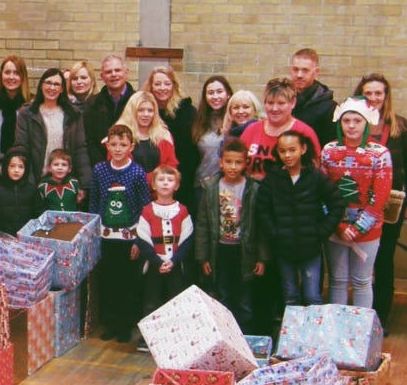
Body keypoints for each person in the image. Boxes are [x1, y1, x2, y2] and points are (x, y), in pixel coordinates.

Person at [356, 74, 407, 325]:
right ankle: (358, 316)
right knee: (359, 262)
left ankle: (381, 318)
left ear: (386, 96)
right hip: (358, 204)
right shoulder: (352, 124)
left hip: (391, 204)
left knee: (383, 259)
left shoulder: (401, 127)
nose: (373, 99)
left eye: (378, 94)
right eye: (368, 94)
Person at [257, 130, 344, 308]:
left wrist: (321, 232)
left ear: (303, 149)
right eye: (282, 151)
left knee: (312, 296)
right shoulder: (272, 179)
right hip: (283, 248)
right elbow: (262, 209)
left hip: (311, 247)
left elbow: (337, 205)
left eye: (292, 150)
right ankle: (291, 334)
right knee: (289, 295)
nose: (287, 155)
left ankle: (315, 334)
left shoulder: (316, 177)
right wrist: (275, 233)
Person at [321, 98, 393, 309]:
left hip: (367, 230)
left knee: (362, 281)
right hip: (336, 227)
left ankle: (362, 333)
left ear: (366, 123)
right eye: (346, 120)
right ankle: (338, 330)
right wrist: (339, 225)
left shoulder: (380, 154)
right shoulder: (329, 151)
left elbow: (380, 197)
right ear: (339, 123)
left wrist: (358, 228)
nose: (351, 125)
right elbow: (323, 192)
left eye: (357, 121)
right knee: (337, 280)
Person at [195, 138, 266, 331]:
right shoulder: (211, 188)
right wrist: (203, 257)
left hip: (245, 251)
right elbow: (202, 224)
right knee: (224, 295)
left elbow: (260, 227)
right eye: (228, 162)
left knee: (244, 298)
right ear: (221, 162)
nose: (233, 167)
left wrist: (261, 257)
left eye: (238, 162)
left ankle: (246, 336)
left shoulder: (253, 189)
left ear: (245, 163)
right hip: (220, 250)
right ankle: (226, 336)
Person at [90, 123, 151, 343]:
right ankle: (112, 322)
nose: (117, 149)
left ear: (131, 146)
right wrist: (94, 231)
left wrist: (138, 240)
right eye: (114, 144)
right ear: (108, 145)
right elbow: (95, 200)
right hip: (106, 236)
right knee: (109, 280)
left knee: (128, 281)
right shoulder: (100, 170)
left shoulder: (136, 172)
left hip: (128, 237)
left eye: (122, 144)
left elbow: (145, 207)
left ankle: (126, 324)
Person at [136, 165, 194, 341]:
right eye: (161, 180)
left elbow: (187, 238)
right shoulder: (147, 211)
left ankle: (175, 337)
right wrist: (157, 261)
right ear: (153, 184)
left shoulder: (182, 211)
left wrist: (174, 261)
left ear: (176, 186)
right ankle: (149, 338)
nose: (165, 183)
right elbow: (142, 238)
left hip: (175, 265)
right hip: (155, 265)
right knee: (151, 302)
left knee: (175, 301)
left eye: (170, 180)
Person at [15, 67, 91, 194]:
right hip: (36, 180)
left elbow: (80, 149)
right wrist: (28, 183)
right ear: (41, 86)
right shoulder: (27, 113)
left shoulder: (73, 114)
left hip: (64, 181)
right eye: (48, 83)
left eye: (56, 84)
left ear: (62, 89)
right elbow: (21, 148)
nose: (52, 87)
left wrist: (84, 185)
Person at [240, 77, 321, 180]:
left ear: (293, 103)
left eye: (281, 103)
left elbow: (314, 173)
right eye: (270, 103)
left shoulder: (304, 132)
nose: (274, 109)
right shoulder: (251, 130)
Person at [145, 66, 199, 211]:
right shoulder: (145, 111)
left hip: (181, 179)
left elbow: (192, 152)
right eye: (157, 84)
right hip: (151, 181)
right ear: (150, 86)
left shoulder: (188, 112)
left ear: (174, 85)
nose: (162, 88)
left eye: (167, 83)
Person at [84, 54, 135, 169]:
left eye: (117, 70)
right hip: (102, 168)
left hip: (132, 168)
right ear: (102, 76)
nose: (113, 75)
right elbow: (90, 141)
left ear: (126, 73)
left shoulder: (137, 101)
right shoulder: (92, 104)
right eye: (108, 72)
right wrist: (102, 168)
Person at [115, 91, 178, 174]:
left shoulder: (164, 135)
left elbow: (171, 169)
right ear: (132, 112)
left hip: (159, 186)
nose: (146, 114)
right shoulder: (119, 136)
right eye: (140, 110)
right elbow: (116, 170)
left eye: (150, 110)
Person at [192, 75, 232, 197]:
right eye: (210, 93)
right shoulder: (198, 120)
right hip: (202, 186)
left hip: (228, 187)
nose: (215, 97)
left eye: (219, 92)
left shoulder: (235, 120)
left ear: (228, 94)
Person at [0, 148, 42, 235]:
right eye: (12, 166)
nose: (16, 170)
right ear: (6, 167)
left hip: (27, 236)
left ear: (26, 169)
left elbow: (39, 214)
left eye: (21, 166)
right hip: (3, 237)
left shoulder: (32, 190)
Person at [290, 47, 337, 147]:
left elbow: (330, 146)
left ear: (316, 72)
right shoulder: (283, 101)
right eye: (295, 69)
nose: (299, 75)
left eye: (305, 70)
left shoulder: (329, 108)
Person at [0, 55, 29, 154]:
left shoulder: (32, 105)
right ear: (1, 75)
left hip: (24, 165)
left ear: (23, 76)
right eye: (7, 72)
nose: (11, 77)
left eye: (16, 73)